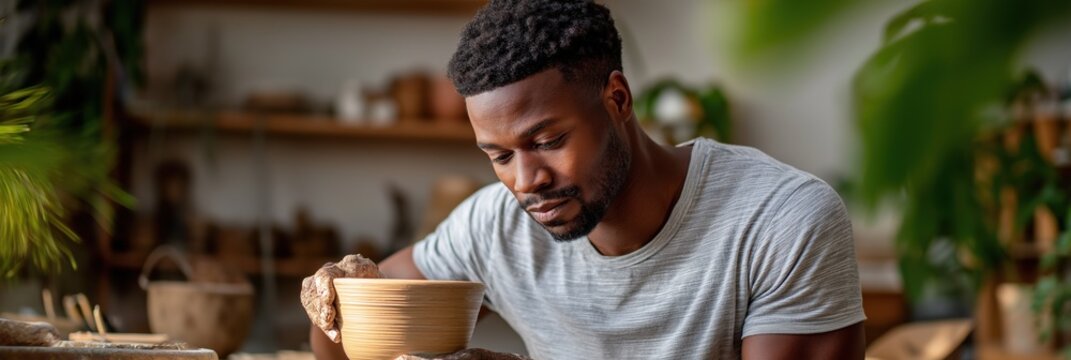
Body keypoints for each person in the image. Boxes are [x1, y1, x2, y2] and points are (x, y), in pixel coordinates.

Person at [302, 0, 866, 358]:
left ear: (617, 98)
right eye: (498, 156)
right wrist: (337, 291)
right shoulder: (494, 226)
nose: (526, 181)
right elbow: (343, 333)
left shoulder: (780, 221)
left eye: (548, 141)